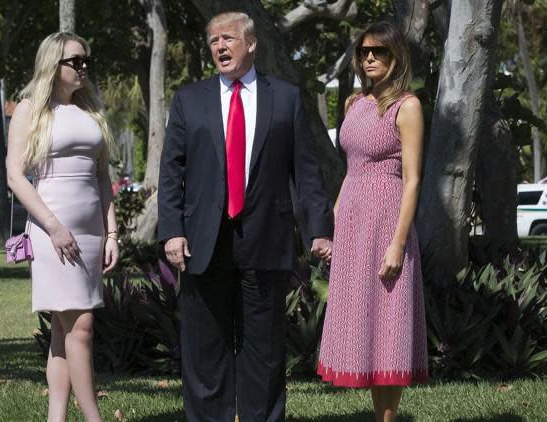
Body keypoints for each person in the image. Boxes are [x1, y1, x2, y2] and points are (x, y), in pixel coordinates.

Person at [158, 12, 333, 421]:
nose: (219, 46)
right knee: (205, 353)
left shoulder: (286, 98)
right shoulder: (190, 100)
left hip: (265, 240)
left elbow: (307, 171)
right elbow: (172, 174)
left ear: (251, 44)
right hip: (204, 243)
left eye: (228, 38)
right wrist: (171, 232)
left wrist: (319, 230)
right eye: (213, 40)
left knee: (265, 354)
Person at [316, 22, 428, 422]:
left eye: (379, 52)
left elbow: (413, 179)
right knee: (362, 317)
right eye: (364, 52)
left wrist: (398, 242)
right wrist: (333, 225)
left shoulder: (408, 106)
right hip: (352, 220)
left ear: (396, 56)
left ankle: (388, 418)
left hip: (387, 220)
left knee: (389, 320)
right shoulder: (352, 104)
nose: (369, 58)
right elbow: (350, 170)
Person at [6, 32, 119, 422]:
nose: (83, 66)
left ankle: (56, 418)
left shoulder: (90, 112)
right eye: (75, 61)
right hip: (53, 232)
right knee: (82, 327)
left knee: (62, 333)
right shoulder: (29, 110)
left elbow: (103, 178)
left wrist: (112, 233)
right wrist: (53, 227)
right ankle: (93, 417)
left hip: (90, 234)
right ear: (53, 65)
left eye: (86, 59)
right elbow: (15, 176)